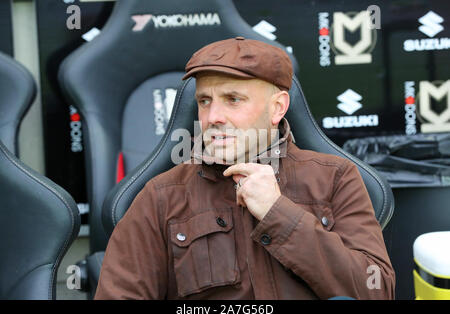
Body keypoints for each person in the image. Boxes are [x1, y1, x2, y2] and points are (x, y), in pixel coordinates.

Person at [95, 37, 395, 300]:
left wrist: (278, 213)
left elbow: (375, 290)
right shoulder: (161, 196)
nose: (213, 116)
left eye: (233, 100)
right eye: (204, 100)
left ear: (277, 107)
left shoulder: (335, 178)